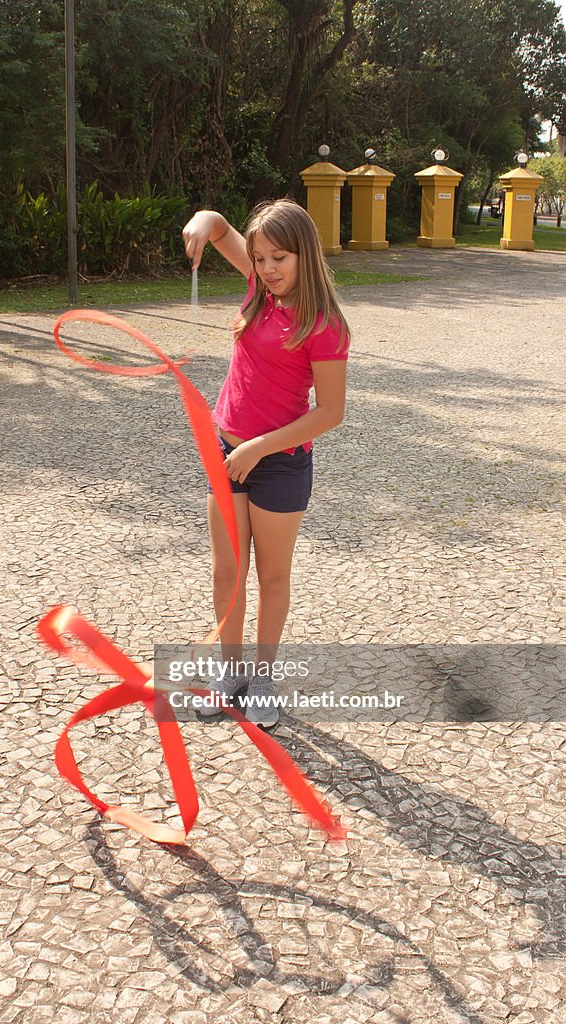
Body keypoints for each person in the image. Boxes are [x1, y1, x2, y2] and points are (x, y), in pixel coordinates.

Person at [182, 199, 349, 728]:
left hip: (278, 463)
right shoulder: (259, 292)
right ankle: (229, 675)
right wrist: (206, 222)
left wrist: (258, 448)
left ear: (305, 253)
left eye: (280, 256)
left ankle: (262, 681)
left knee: (273, 577)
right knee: (228, 571)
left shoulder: (324, 324)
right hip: (224, 448)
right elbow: (222, 230)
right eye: (259, 259)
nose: (268, 268)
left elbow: (330, 412)